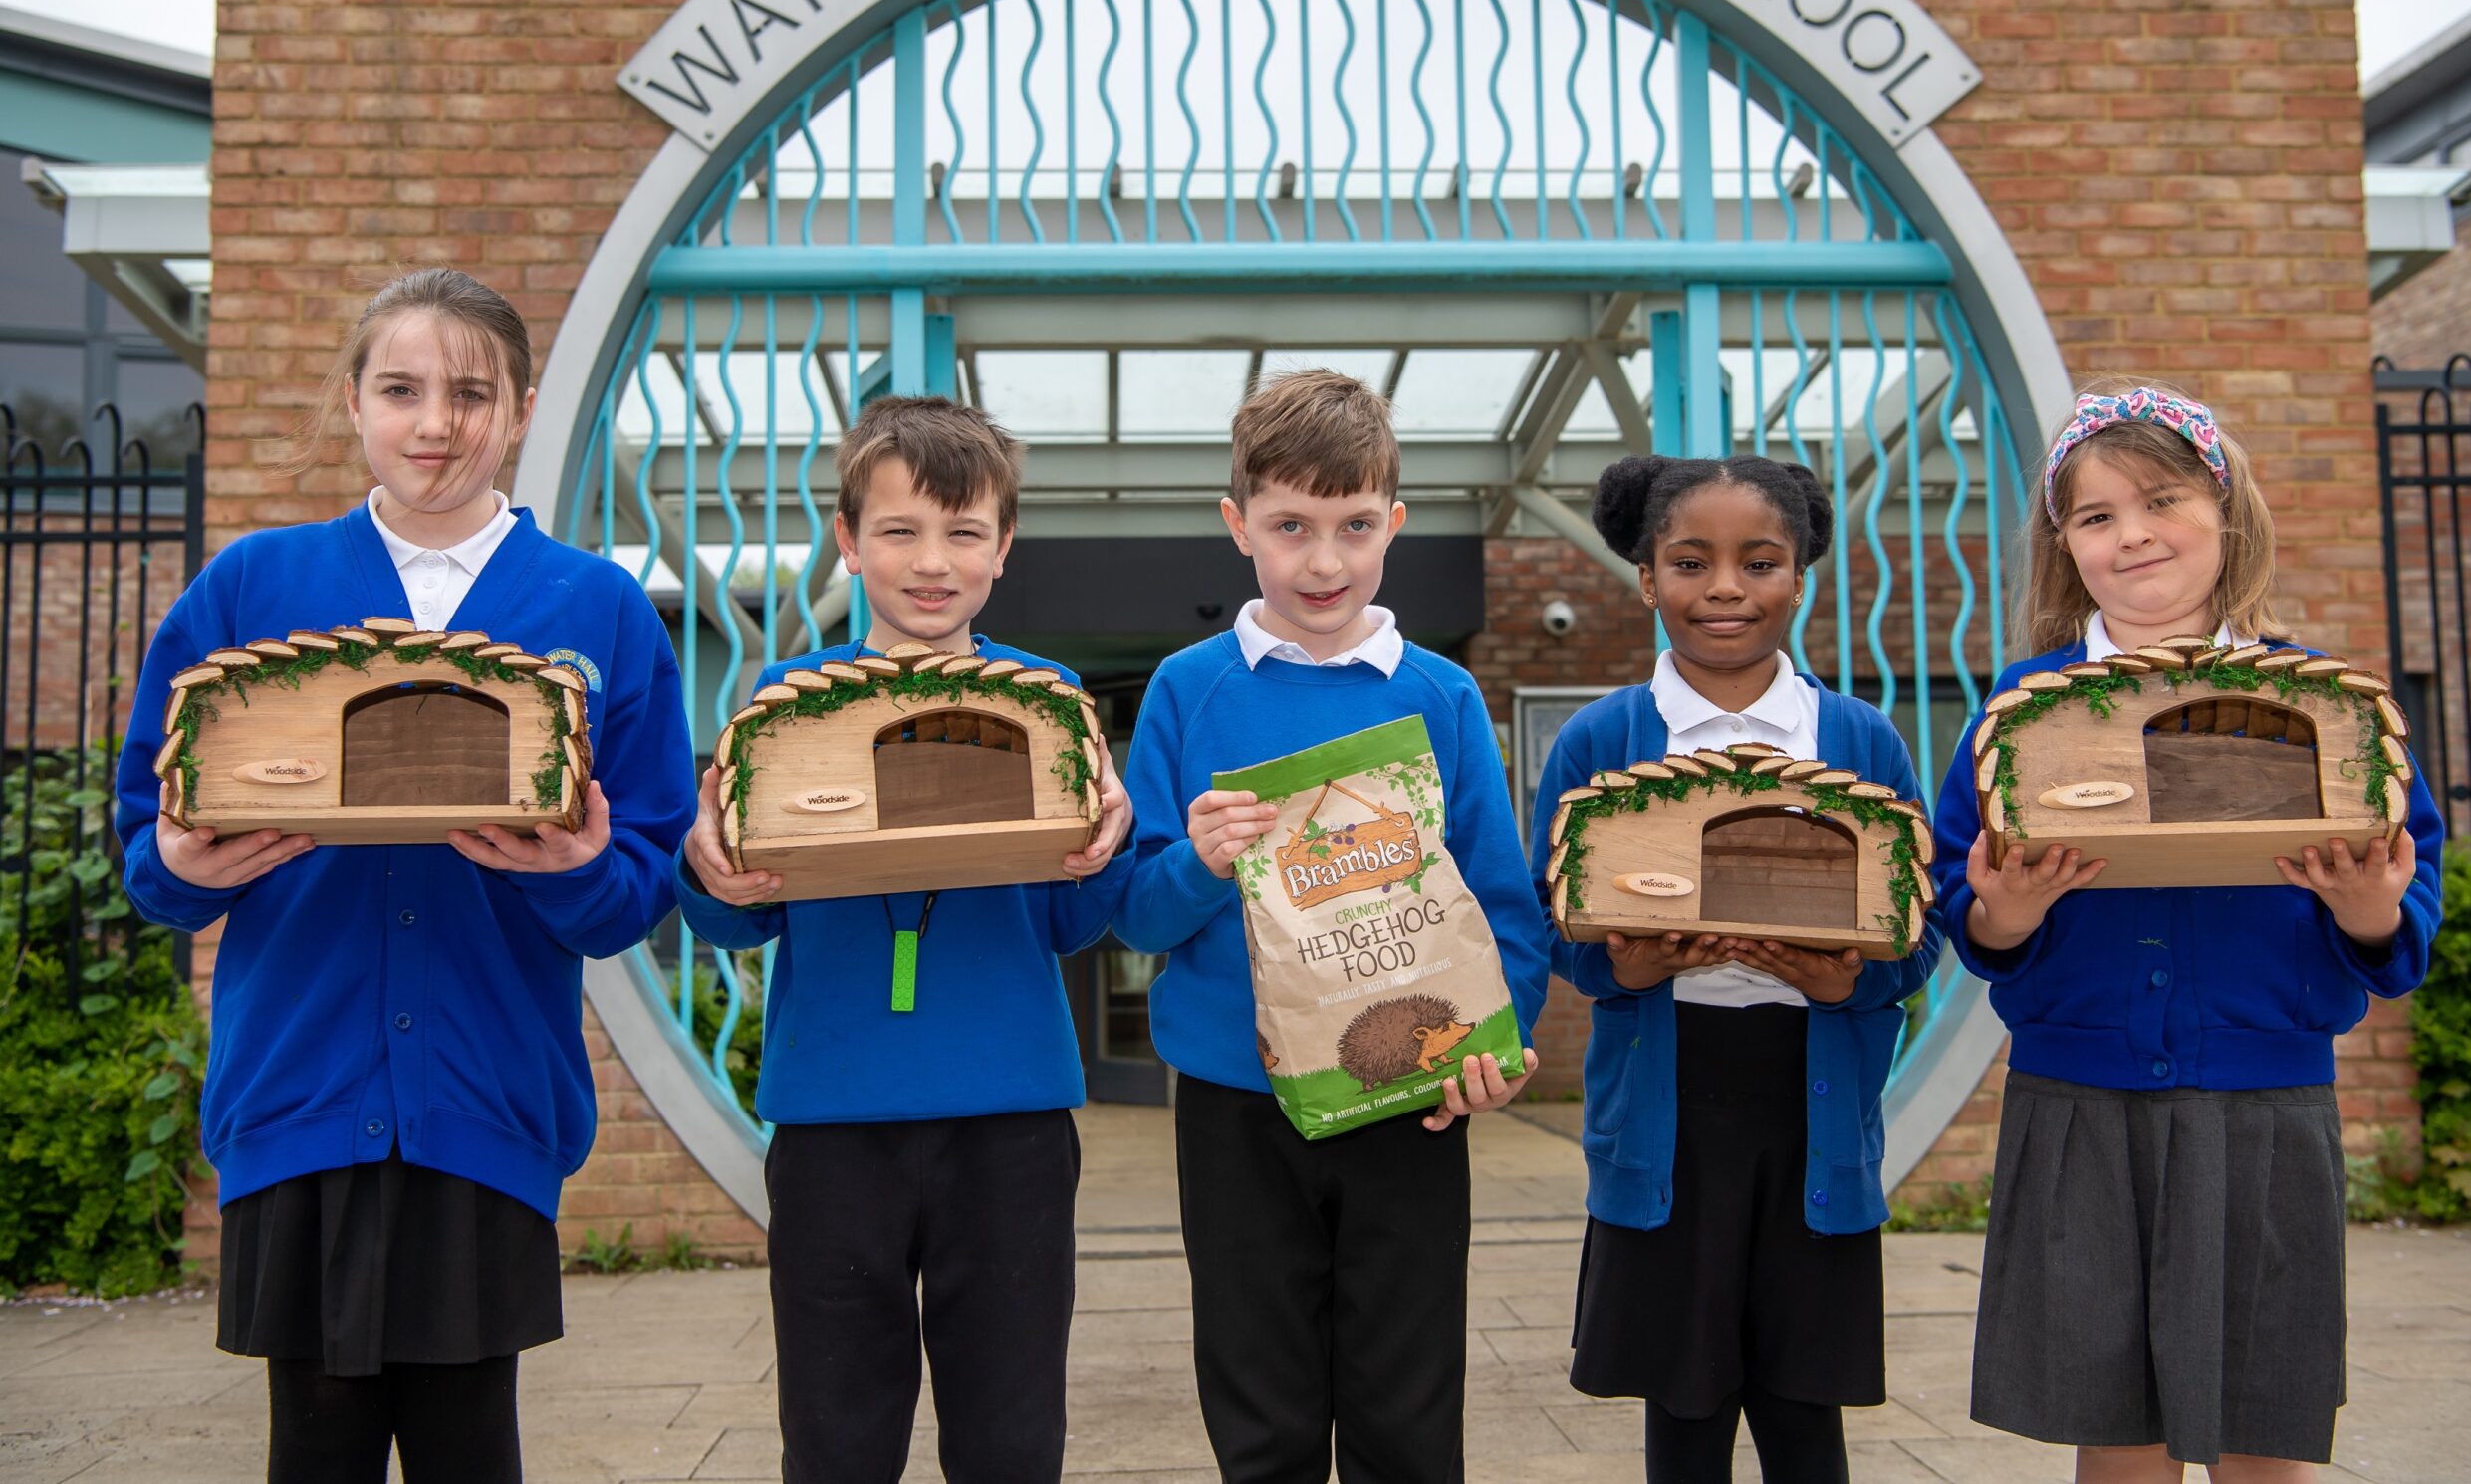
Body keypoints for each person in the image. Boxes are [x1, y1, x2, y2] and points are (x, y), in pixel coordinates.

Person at [112, 268, 693, 1484]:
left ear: (524, 408)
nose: (437, 423)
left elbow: (639, 885)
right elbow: (150, 848)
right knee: (312, 1443)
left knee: (470, 1445)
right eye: (401, 389)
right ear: (354, 402)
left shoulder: (598, 610)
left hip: (485, 1099)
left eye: (471, 393)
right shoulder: (252, 590)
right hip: (298, 1093)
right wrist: (177, 863)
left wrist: (581, 867)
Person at [1932, 381, 2446, 1482]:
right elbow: (1957, 894)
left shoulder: (2330, 708)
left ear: (2225, 511)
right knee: (2117, 1434)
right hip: (2080, 1106)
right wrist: (2001, 917)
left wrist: (2370, 914)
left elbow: (2407, 893)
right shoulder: (2019, 717)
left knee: (2266, 1428)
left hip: (2265, 1107)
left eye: (2160, 500)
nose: (2133, 536)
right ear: (2064, 544)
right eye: (2096, 516)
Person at [676, 395, 1133, 1484]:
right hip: (834, 1122)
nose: (933, 563)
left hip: (1011, 1123)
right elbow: (727, 914)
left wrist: (1105, 848)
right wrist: (708, 871)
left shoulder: (1050, 703)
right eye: (899, 531)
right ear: (847, 539)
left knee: (1012, 1438)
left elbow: (1074, 919)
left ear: (1003, 547)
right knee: (836, 1439)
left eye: (964, 532)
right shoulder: (783, 704)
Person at [1116, 369, 1550, 1483]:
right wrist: (1202, 864)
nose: (1324, 561)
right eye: (1290, 526)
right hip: (1232, 1101)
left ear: (1394, 524)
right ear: (1237, 525)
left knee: (1406, 1410)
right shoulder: (1183, 690)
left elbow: (1504, 905)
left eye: (1355, 526)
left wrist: (1495, 1049)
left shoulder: (1444, 698)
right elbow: (1137, 904)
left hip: (1414, 1102)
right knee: (1259, 1407)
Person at [1530, 453, 1942, 1484]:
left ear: (1797, 575)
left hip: (1811, 1108)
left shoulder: (1858, 740)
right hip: (1666, 1114)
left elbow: (1922, 929)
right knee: (1684, 1404)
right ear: (1645, 577)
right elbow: (1555, 928)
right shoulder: (1601, 742)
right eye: (1689, 562)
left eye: (1758, 562)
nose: (1723, 589)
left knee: (1806, 1410)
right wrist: (1621, 962)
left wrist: (1849, 983)